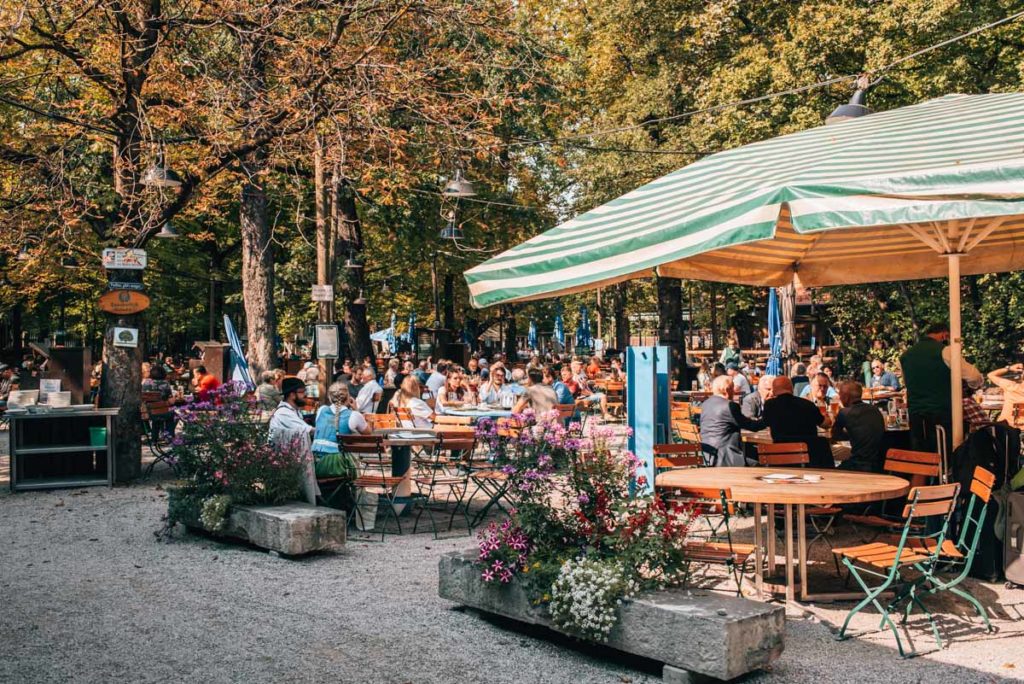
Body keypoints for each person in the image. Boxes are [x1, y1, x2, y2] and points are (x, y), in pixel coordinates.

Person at [900, 322, 983, 454]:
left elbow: (907, 383)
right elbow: (974, 376)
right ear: (945, 335)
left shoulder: (905, 356)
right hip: (941, 414)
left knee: (921, 457)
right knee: (945, 455)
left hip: (916, 415)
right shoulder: (946, 351)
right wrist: (972, 386)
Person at [763, 376, 832, 468]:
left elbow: (765, 423)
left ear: (774, 390)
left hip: (781, 456)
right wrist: (828, 416)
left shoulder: (770, 405)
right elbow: (826, 424)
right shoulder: (807, 404)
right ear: (791, 389)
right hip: (811, 457)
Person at [698, 375, 767, 467]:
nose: (734, 391)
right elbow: (751, 426)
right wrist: (768, 420)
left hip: (707, 454)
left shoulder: (706, 404)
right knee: (761, 462)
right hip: (726, 456)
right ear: (726, 390)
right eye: (732, 388)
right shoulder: (730, 406)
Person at [832, 381, 885, 472]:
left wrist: (850, 434)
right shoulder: (875, 409)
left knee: (830, 472)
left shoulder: (845, 412)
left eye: (840, 395)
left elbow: (835, 435)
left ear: (846, 397)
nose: (839, 398)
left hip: (858, 464)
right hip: (879, 464)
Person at [313, 381, 370, 458]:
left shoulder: (321, 410)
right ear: (348, 397)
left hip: (314, 456)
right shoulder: (354, 415)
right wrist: (356, 410)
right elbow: (368, 433)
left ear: (330, 398)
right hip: (337, 459)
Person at [269, 377, 313, 445]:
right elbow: (308, 431)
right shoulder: (283, 413)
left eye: (305, 391)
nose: (305, 394)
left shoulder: (294, 410)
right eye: (301, 392)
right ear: (292, 395)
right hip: (282, 454)